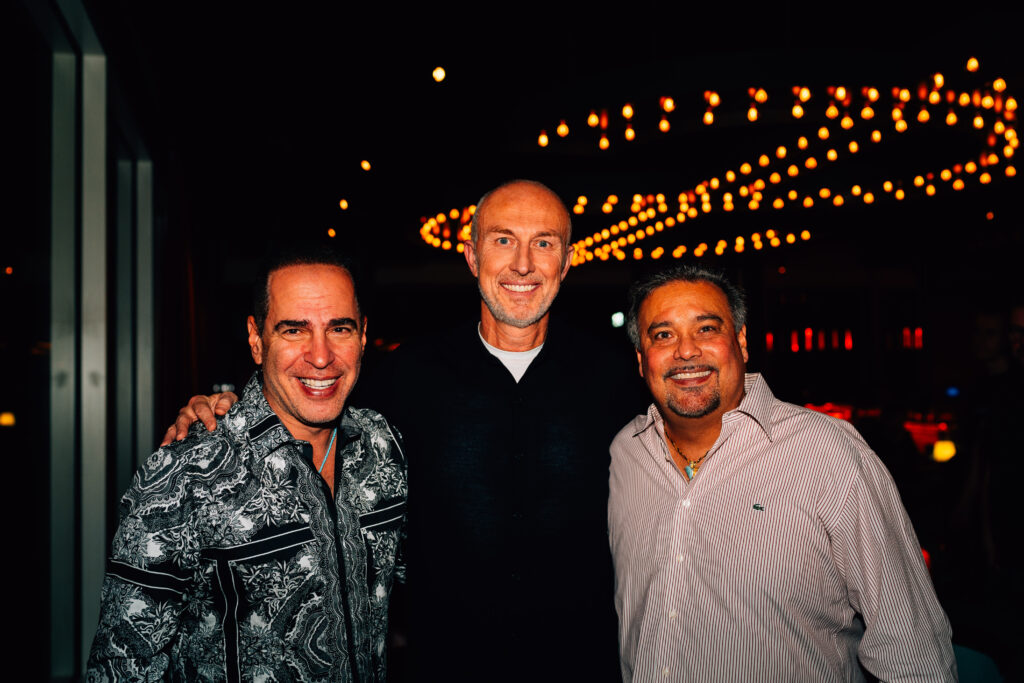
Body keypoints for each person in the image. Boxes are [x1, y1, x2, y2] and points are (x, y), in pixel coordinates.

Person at [165, 180, 646, 681]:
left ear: (566, 262)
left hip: (582, 666)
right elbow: (308, 400)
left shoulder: (618, 380)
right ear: (472, 256)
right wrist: (223, 411)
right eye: (503, 239)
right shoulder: (405, 376)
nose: (522, 264)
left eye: (543, 242)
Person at [609, 264, 957, 682]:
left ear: (741, 342)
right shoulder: (624, 454)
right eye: (663, 335)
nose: (686, 351)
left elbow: (912, 652)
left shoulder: (828, 454)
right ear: (641, 359)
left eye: (706, 329)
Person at [89, 249, 408, 682]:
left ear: (364, 336)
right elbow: (122, 663)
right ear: (257, 341)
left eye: (339, 328)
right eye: (294, 330)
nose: (320, 356)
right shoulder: (186, 473)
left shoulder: (384, 446)